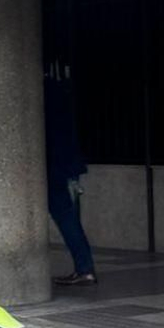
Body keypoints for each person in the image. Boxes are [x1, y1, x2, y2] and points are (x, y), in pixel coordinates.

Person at [46, 76, 96, 286]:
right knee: (67, 216)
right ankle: (84, 269)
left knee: (66, 217)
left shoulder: (48, 99)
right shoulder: (61, 98)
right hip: (63, 166)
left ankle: (85, 268)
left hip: (56, 167)